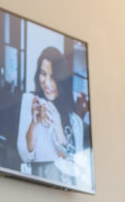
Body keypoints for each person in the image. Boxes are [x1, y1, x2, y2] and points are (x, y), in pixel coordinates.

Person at [17, 46, 87, 185]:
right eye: (43, 74)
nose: (47, 83)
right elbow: (24, 156)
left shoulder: (75, 121)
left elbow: (75, 171)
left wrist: (58, 129)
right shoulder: (29, 100)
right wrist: (34, 124)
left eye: (53, 77)